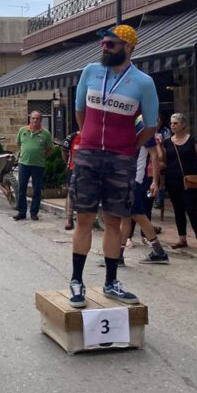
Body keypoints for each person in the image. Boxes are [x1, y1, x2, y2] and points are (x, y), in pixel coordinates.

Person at [68, 24, 159, 308]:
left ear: (129, 47)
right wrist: (90, 138)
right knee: (84, 219)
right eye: (103, 44)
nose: (104, 48)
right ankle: (76, 281)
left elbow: (151, 125)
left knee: (113, 221)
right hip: (89, 155)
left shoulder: (144, 82)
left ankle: (110, 282)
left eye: (111, 44)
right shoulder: (90, 71)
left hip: (121, 158)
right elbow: (80, 111)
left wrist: (129, 147)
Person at [120, 115, 169, 265]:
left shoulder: (142, 128)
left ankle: (159, 252)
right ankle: (118, 255)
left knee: (136, 214)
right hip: (127, 178)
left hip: (136, 179)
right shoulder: (128, 127)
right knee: (127, 216)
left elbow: (154, 156)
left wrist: (154, 181)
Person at [157, 112, 197, 254]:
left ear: (183, 125)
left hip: (189, 180)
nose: (172, 125)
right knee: (178, 209)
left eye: (176, 123)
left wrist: (191, 171)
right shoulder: (167, 142)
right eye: (171, 123)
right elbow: (164, 160)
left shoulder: (193, 141)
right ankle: (182, 238)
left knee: (192, 209)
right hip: (172, 180)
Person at [13, 111, 53, 221]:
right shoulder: (22, 130)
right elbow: (18, 144)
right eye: (33, 118)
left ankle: (34, 213)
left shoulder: (46, 133)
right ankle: (22, 212)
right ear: (30, 119)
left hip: (38, 165)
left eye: (37, 118)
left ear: (40, 120)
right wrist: (22, 153)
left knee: (37, 190)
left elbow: (49, 149)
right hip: (23, 164)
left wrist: (42, 157)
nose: (35, 120)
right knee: (22, 189)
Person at [61, 129, 81, 230]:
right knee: (70, 192)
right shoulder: (72, 137)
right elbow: (64, 150)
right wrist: (67, 163)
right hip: (73, 169)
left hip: (89, 171)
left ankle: (82, 219)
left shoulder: (94, 136)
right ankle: (69, 219)